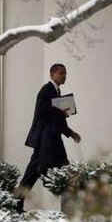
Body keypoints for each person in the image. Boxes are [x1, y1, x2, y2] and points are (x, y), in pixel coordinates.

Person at [14, 63, 81, 213]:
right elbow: (42, 113)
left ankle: (16, 205)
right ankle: (16, 205)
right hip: (46, 141)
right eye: (61, 73)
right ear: (52, 75)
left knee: (33, 174)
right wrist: (60, 110)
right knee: (59, 172)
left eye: (65, 73)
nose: (64, 76)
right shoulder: (46, 90)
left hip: (51, 140)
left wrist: (71, 133)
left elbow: (57, 119)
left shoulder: (56, 92)